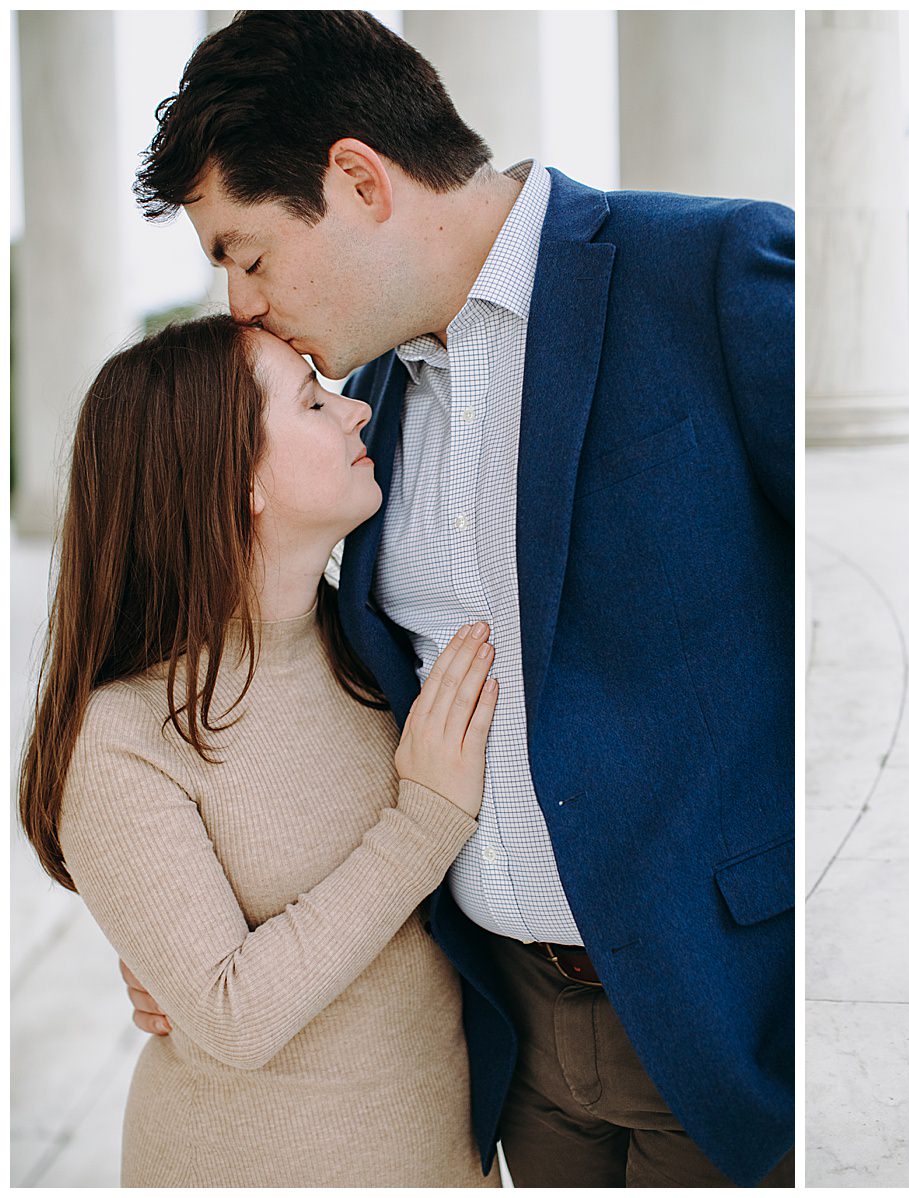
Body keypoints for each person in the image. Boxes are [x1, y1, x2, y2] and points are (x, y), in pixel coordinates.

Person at [120, 11, 794, 1187]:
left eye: (247, 252)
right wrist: (182, 939)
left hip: (726, 1016)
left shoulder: (715, 269)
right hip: (510, 1045)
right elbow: (333, 709)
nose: (239, 302)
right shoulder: (363, 409)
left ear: (358, 179)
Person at [19, 316, 500, 1185]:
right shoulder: (120, 738)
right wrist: (422, 823)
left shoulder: (380, 647)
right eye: (313, 402)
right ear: (237, 478)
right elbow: (234, 1016)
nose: (357, 413)